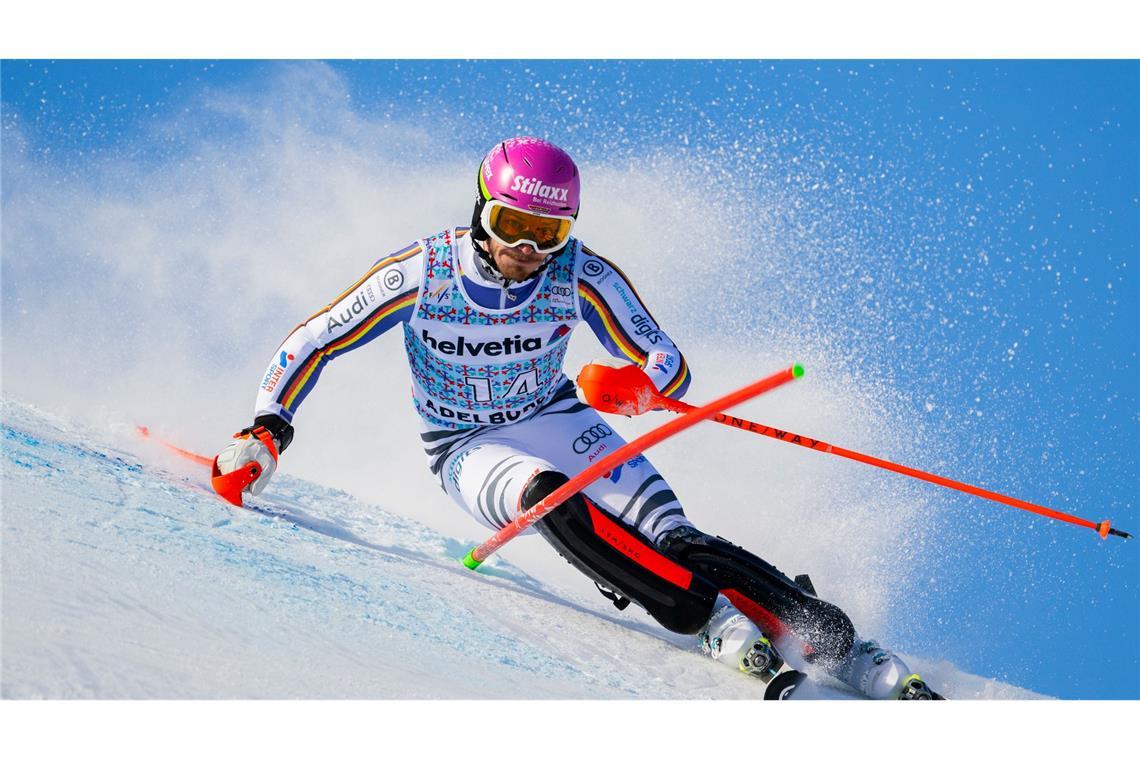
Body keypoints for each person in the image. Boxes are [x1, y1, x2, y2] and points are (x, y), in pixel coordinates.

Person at [213, 136, 940, 700]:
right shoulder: (423, 273)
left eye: (547, 233)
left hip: (555, 415)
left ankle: (839, 644)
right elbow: (315, 340)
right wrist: (267, 429)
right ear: (479, 212)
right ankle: (708, 620)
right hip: (467, 444)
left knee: (676, 537)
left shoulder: (580, 274)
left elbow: (667, 362)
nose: (526, 250)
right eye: (511, 225)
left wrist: (636, 387)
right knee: (550, 497)